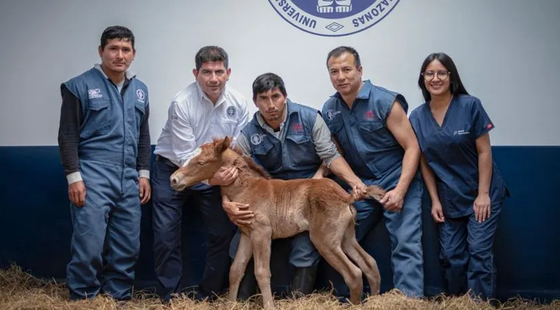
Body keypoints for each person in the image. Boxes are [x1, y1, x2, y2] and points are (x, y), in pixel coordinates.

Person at [213, 72, 368, 299]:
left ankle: (299, 302)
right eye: (263, 99)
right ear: (255, 102)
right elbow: (233, 173)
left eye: (276, 96)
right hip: (269, 199)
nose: (271, 104)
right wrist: (227, 204)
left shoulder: (309, 118)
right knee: (238, 247)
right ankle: (243, 302)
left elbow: (331, 155)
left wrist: (351, 182)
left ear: (285, 96)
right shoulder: (247, 133)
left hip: (306, 197)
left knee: (306, 249)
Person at [320, 46, 425, 298]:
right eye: (334, 72)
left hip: (397, 178)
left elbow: (412, 147)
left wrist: (400, 190)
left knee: (405, 242)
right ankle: (346, 296)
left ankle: (409, 301)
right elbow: (335, 153)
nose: (341, 76)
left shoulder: (384, 101)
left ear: (360, 70)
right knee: (339, 234)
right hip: (361, 184)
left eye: (346, 69)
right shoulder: (329, 108)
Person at [57, 25, 151, 301]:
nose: (119, 55)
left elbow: (143, 136)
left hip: (128, 178)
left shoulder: (141, 91)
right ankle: (84, 299)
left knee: (128, 245)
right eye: (113, 49)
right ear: (101, 51)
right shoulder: (79, 86)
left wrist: (143, 174)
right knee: (89, 244)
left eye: (125, 50)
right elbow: (67, 135)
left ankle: (117, 299)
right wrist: (74, 178)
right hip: (92, 174)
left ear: (133, 54)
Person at [150, 45, 250, 302]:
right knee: (165, 236)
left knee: (222, 233)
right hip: (173, 168)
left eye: (219, 71)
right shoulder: (181, 103)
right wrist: (213, 179)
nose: (213, 79)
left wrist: (223, 180)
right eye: (207, 72)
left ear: (228, 73)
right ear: (196, 73)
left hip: (215, 172)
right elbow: (185, 158)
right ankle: (171, 299)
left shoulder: (239, 103)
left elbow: (237, 150)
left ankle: (209, 296)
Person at [409, 52, 509, 300]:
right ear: (422, 79)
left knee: (478, 252)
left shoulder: (470, 105)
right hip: (449, 198)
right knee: (451, 257)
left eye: (441, 72)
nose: (435, 78)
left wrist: (483, 194)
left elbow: (484, 151)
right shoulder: (417, 117)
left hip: (481, 192)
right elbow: (425, 163)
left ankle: (479, 304)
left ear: (451, 76)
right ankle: (456, 303)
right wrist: (435, 200)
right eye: (430, 73)